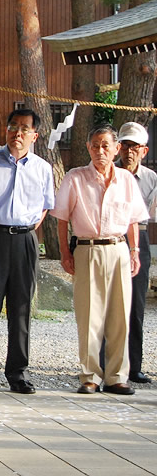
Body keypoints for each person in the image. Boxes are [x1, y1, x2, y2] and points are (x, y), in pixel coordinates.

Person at [52, 124, 148, 395]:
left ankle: (118, 375)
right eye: (95, 145)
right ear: (88, 148)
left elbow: (133, 219)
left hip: (118, 249)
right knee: (89, 315)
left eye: (105, 146)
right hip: (87, 249)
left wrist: (135, 250)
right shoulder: (75, 177)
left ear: (117, 149)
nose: (100, 151)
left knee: (120, 316)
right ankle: (90, 375)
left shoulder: (126, 180)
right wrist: (64, 252)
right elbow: (62, 218)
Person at [0, 108, 54, 396]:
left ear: (34, 135)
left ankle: (18, 373)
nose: (18, 133)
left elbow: (44, 207)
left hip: (25, 241)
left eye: (25, 128)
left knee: (21, 309)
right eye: (13, 126)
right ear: (6, 130)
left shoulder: (42, 168)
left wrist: (25, 229)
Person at [116, 122, 156, 384]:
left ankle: (135, 365)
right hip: (112, 236)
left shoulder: (152, 179)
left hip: (138, 237)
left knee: (136, 306)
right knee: (108, 305)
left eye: (135, 147)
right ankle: (103, 363)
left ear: (144, 151)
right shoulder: (107, 172)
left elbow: (150, 217)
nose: (130, 152)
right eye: (126, 146)